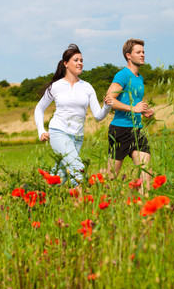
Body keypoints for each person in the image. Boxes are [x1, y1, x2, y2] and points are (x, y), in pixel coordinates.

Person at [34, 43, 113, 187]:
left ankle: (36, 191)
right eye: (76, 60)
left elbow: (98, 115)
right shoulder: (56, 86)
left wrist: (107, 106)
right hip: (59, 132)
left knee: (61, 175)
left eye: (81, 60)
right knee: (77, 169)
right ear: (66, 64)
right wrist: (41, 130)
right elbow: (39, 109)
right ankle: (85, 200)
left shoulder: (87, 87)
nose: (80, 63)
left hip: (77, 137)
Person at [106, 38, 154, 192]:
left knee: (146, 170)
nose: (143, 55)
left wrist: (144, 111)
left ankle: (145, 207)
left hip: (137, 130)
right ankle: (91, 190)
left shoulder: (140, 79)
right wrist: (133, 109)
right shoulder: (123, 75)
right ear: (128, 55)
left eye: (143, 52)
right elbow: (109, 100)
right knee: (111, 175)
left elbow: (134, 102)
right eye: (138, 52)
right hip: (120, 130)